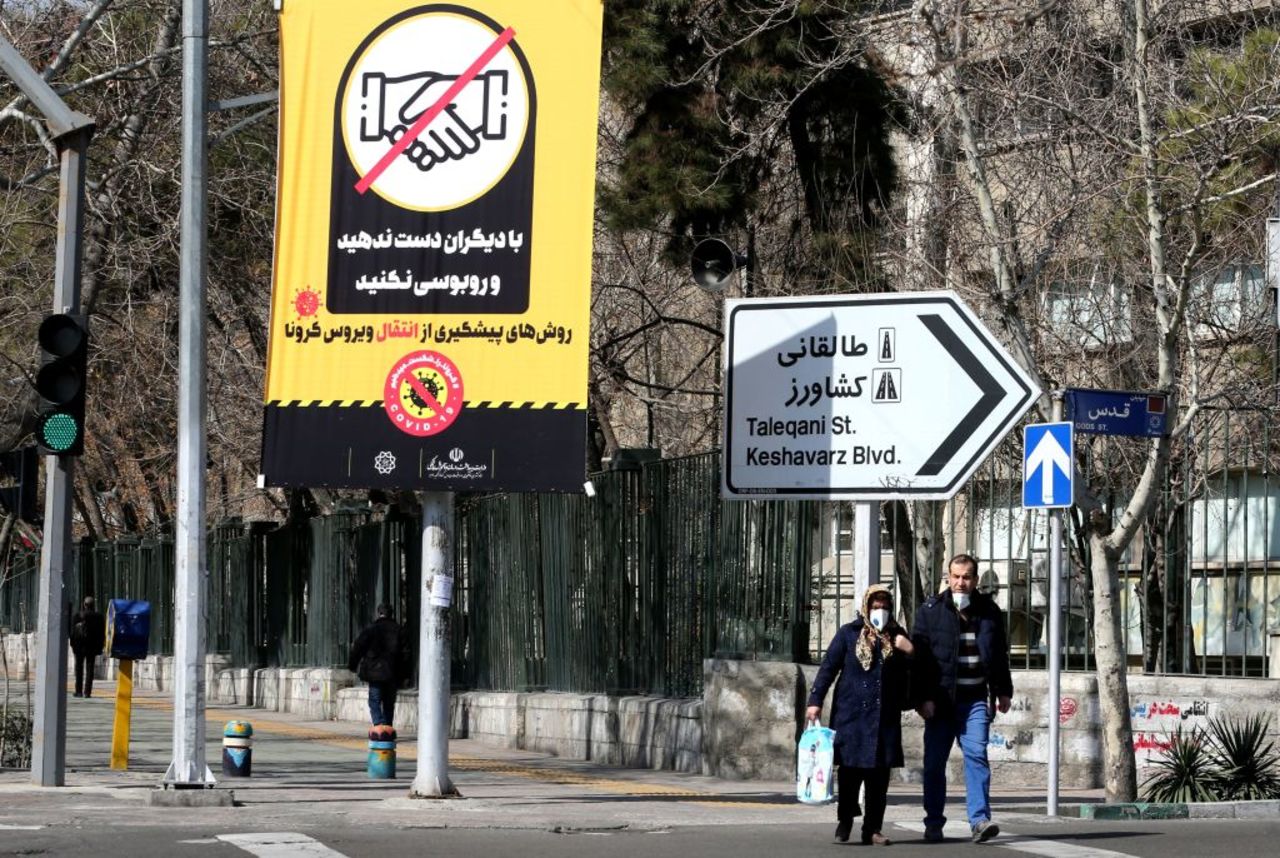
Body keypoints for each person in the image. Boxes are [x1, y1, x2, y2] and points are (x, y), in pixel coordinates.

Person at [911, 553, 1013, 844]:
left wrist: (1003, 690)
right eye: (955, 577)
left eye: (966, 577)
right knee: (934, 763)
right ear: (947, 577)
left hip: (974, 700)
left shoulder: (989, 611)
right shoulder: (930, 611)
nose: (960, 583)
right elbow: (920, 662)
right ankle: (933, 823)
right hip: (940, 702)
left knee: (977, 756)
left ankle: (979, 821)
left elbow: (999, 655)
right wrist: (922, 699)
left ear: (975, 580)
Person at [806, 584, 914, 845]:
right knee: (849, 774)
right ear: (866, 607)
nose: (881, 612)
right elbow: (828, 668)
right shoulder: (848, 634)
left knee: (879, 778)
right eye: (876, 607)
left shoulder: (898, 637)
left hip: (883, 719)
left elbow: (912, 675)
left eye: (886, 607)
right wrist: (815, 701)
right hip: (851, 716)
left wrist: (909, 652)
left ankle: (873, 828)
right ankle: (845, 820)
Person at [347, 603, 411, 726]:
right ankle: (387, 728)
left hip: (374, 672)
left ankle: (378, 725)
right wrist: (405, 675)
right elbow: (406, 655)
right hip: (393, 672)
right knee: (389, 702)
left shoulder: (371, 629)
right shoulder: (399, 630)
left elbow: (358, 648)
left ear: (379, 613)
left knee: (374, 700)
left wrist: (352, 665)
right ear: (391, 614)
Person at [70, 596, 106, 698]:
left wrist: (73, 645)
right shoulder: (99, 617)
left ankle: (78, 691)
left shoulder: (77, 616)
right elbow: (101, 634)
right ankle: (87, 692)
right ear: (93, 605)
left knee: (79, 669)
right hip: (92, 647)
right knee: (90, 670)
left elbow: (72, 633)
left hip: (79, 646)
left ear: (84, 604)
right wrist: (100, 646)